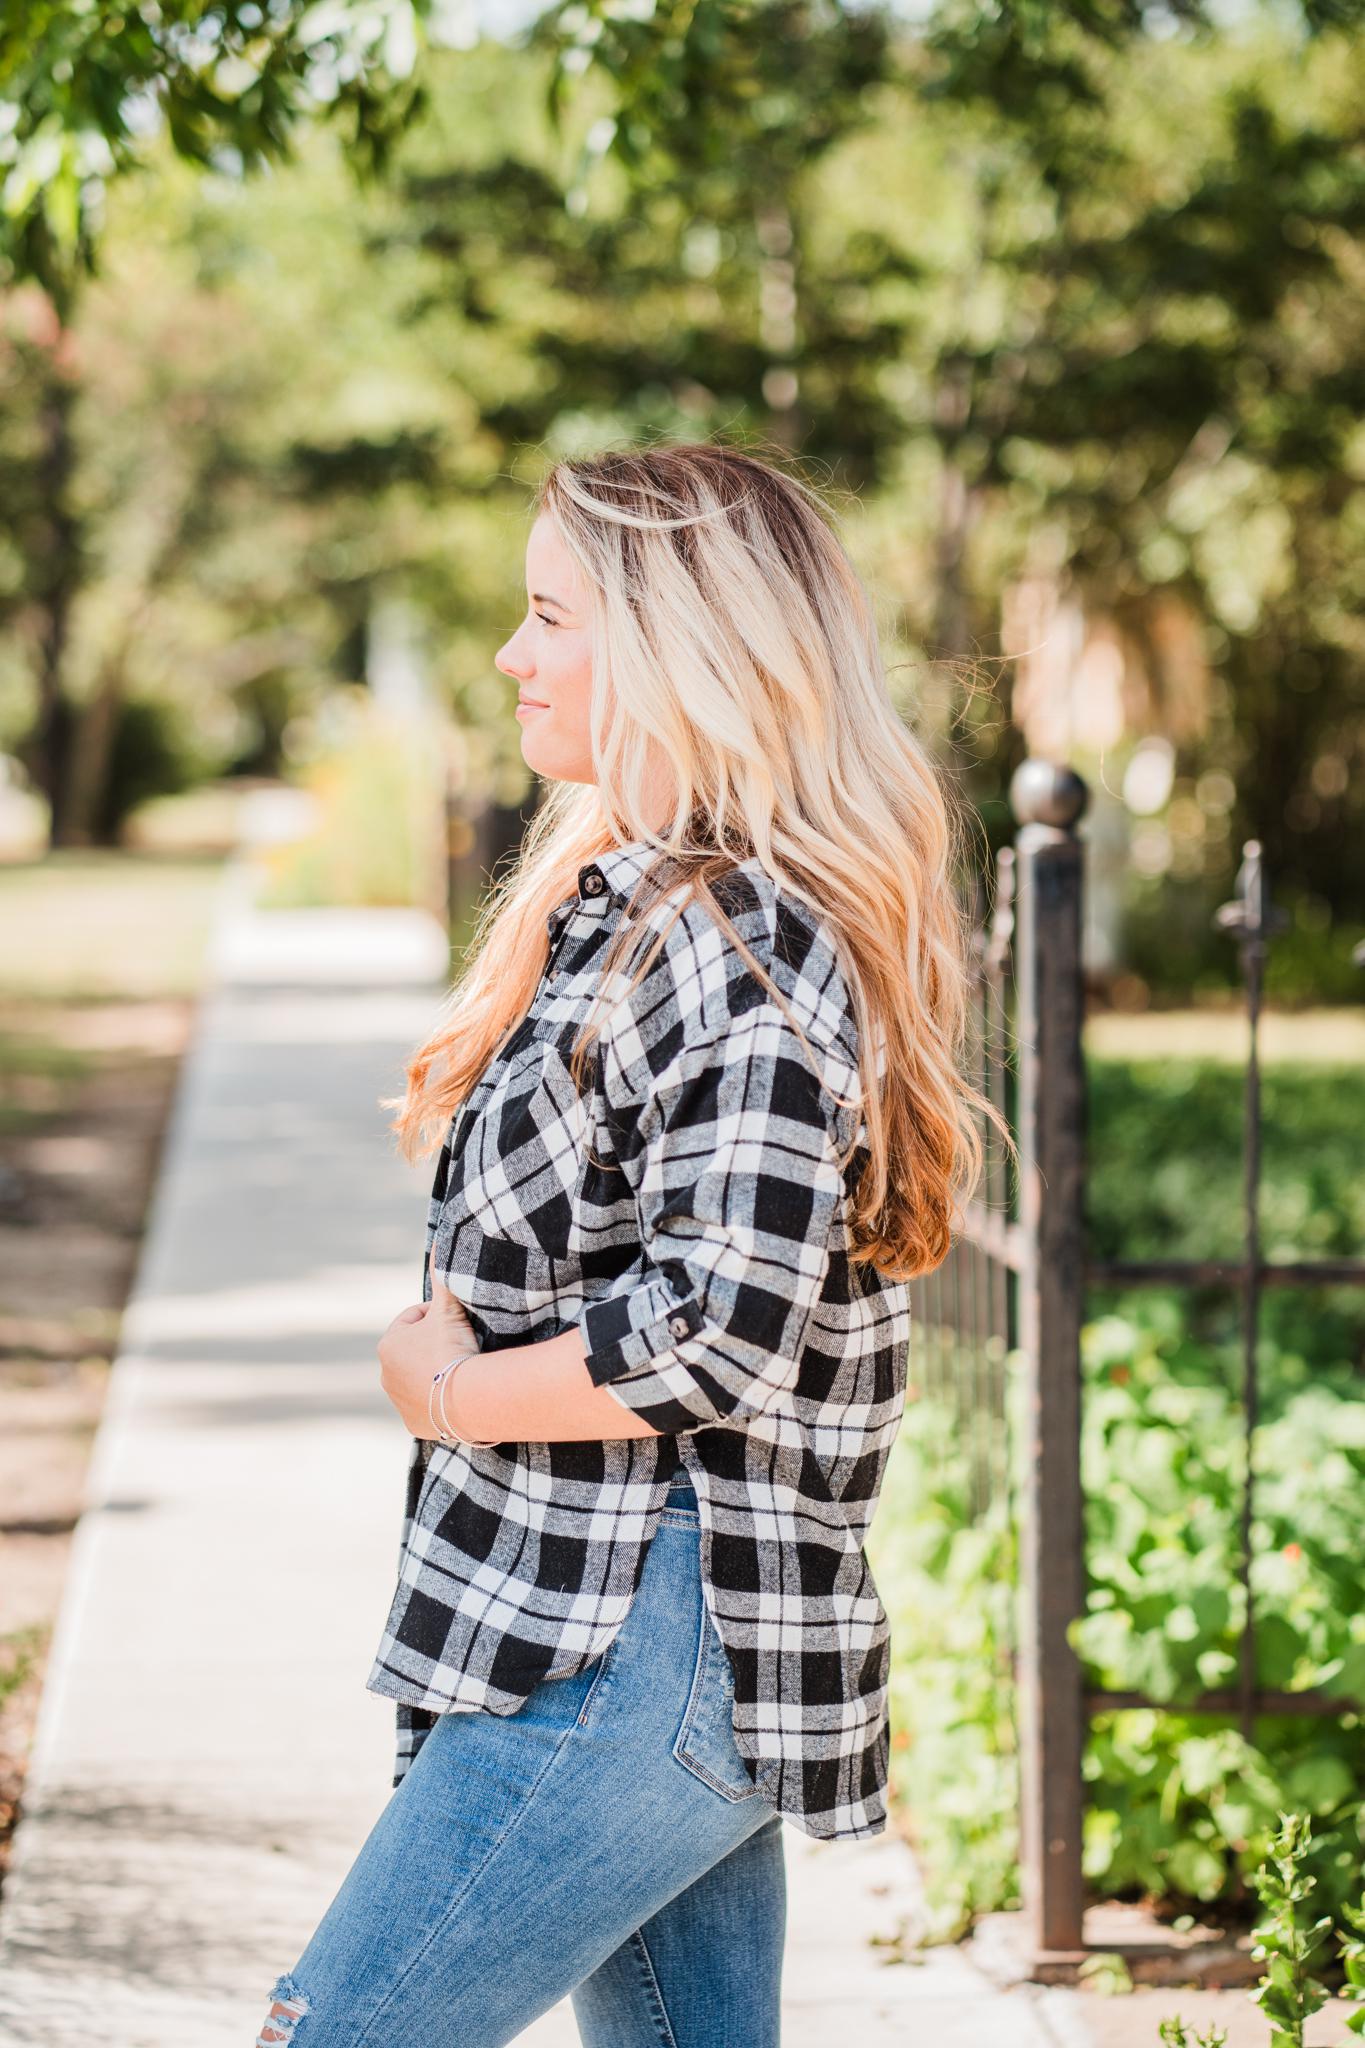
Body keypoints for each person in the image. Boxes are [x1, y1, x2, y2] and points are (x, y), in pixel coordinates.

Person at [253, 439, 1005, 2048]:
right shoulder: (632, 899)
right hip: (620, 1625)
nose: (512, 656)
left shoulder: (739, 940)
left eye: (549, 616)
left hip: (638, 1636)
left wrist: (447, 1393)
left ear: (678, 649)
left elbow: (707, 1333)